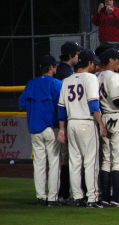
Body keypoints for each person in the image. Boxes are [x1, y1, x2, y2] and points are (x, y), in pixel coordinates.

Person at [57, 49, 107, 208]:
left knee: (75, 162)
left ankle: (77, 197)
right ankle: (92, 198)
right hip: (86, 122)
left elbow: (61, 109)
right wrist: (101, 124)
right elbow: (93, 105)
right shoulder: (91, 78)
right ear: (90, 63)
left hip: (71, 123)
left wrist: (61, 129)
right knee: (91, 162)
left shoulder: (67, 80)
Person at [19, 55, 62, 206]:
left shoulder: (31, 84)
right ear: (51, 67)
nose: (56, 68)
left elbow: (21, 103)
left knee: (39, 164)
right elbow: (61, 106)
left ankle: (41, 197)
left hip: (34, 128)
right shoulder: (56, 83)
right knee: (54, 162)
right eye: (54, 66)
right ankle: (52, 198)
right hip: (50, 128)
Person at [98, 48, 119, 207]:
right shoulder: (114, 76)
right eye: (117, 59)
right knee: (118, 161)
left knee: (106, 160)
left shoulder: (98, 76)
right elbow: (117, 100)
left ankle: (105, 197)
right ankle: (116, 198)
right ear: (110, 60)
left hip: (104, 117)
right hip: (117, 117)